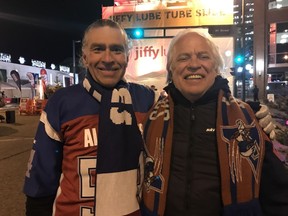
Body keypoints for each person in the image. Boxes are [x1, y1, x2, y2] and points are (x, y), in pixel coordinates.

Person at [141, 30, 288, 216]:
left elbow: (278, 197)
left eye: (203, 56)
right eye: (183, 58)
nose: (194, 64)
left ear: (216, 67)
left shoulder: (250, 119)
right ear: (171, 68)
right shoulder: (149, 118)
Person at [23, 19, 156, 216]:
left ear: (128, 57)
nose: (108, 58)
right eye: (98, 49)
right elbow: (41, 183)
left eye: (117, 50)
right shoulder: (62, 103)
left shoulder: (147, 100)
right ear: (84, 57)